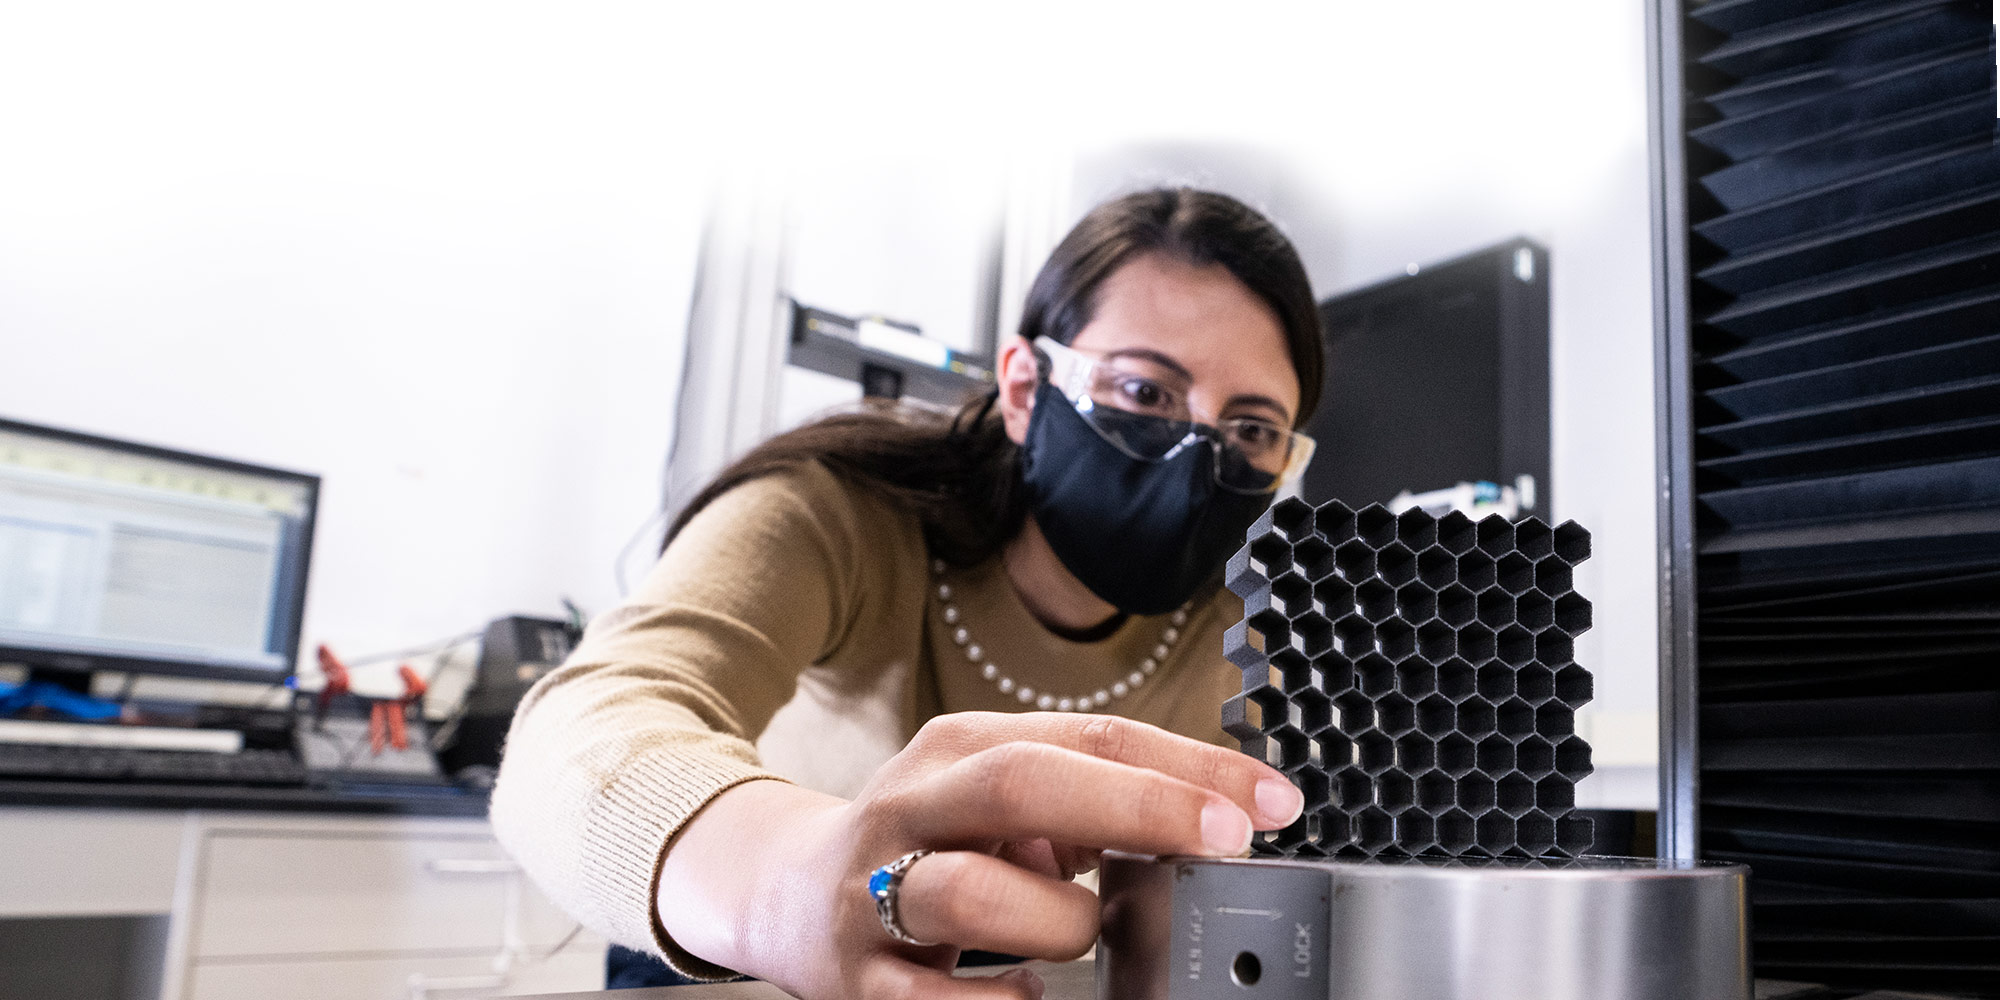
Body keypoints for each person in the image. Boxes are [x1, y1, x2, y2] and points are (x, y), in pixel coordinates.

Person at [491, 187, 1327, 1000]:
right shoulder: (838, 513)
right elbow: (582, 727)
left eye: (1250, 430)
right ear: (1026, 389)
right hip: (749, 954)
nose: (1193, 456)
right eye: (1144, 392)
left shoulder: (1249, 633)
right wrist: (781, 888)